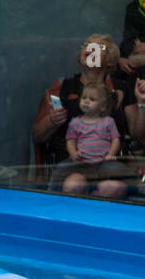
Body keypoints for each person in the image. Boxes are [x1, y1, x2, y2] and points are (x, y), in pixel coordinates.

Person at [31, 33, 145, 198]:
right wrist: (51, 121)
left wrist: (142, 102)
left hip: (109, 165)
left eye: (99, 47)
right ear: (79, 56)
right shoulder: (62, 88)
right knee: (74, 185)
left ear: (110, 62)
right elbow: (37, 136)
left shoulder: (121, 88)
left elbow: (139, 135)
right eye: (86, 45)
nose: (90, 49)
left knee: (112, 188)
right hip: (72, 164)